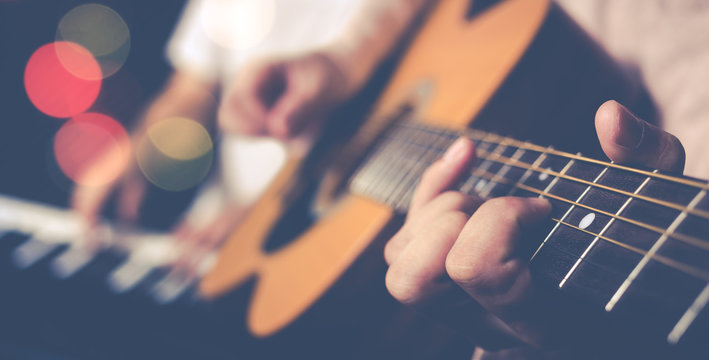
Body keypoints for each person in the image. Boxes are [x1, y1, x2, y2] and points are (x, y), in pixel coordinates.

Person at [71, 0, 434, 269]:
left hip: (315, 254)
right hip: (207, 243)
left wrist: (265, 213)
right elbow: (192, 88)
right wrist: (141, 147)